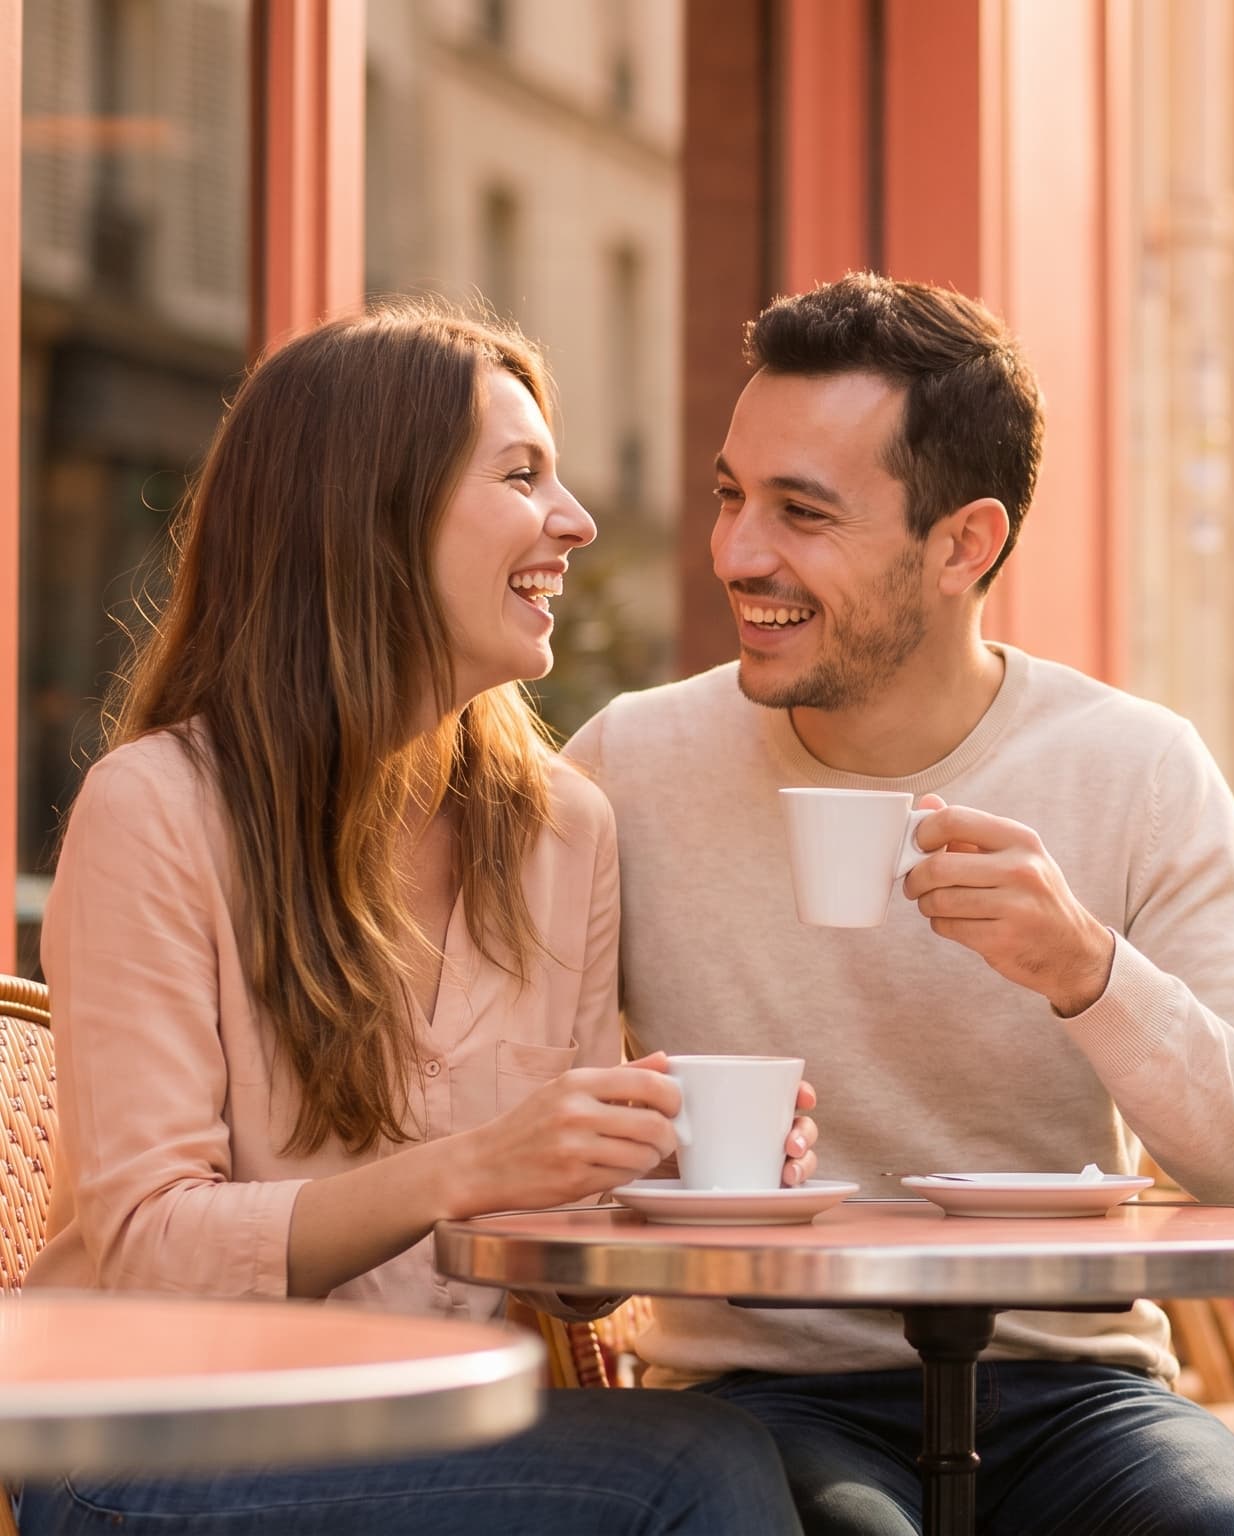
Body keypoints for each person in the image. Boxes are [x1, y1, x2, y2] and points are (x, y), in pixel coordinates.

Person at [563, 273, 1234, 1536]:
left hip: (1069, 1388)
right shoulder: (627, 763)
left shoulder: (1134, 766)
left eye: (801, 512)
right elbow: (509, 1114)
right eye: (730, 495)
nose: (737, 552)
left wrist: (1089, 970)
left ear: (962, 546)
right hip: (760, 1396)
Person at [20, 302, 806, 1536]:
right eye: (520, 474)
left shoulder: (562, 830)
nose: (577, 521)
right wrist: (473, 1170)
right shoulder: (159, 810)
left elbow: (568, 1289)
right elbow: (149, 1248)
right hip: (147, 1436)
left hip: (424, 1423)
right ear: (369, 518)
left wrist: (641, 1185)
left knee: (734, 1451)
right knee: (690, 1471)